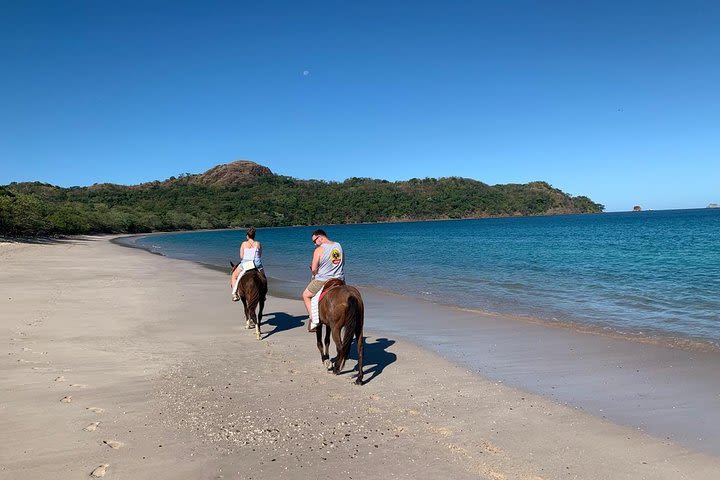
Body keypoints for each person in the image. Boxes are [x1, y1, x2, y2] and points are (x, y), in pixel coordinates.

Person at [302, 229, 345, 332]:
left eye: (314, 241)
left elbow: (313, 269)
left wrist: (315, 271)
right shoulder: (338, 245)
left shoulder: (319, 250)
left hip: (323, 280)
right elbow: (343, 262)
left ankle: (314, 321)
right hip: (339, 278)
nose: (314, 244)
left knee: (306, 295)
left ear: (320, 237)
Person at [231, 226, 265, 301]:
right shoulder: (258, 243)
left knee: (234, 276)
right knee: (263, 277)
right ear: (254, 236)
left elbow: (241, 256)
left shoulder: (243, 244)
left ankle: (235, 294)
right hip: (257, 263)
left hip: (246, 264)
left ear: (247, 236)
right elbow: (260, 255)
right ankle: (263, 294)